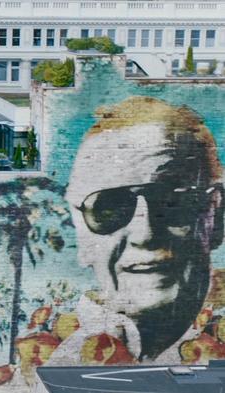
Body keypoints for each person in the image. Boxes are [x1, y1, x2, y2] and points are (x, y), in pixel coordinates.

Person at [56, 96, 224, 363]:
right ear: (81, 232)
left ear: (215, 216)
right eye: (109, 208)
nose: (145, 233)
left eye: (171, 200)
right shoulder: (63, 362)